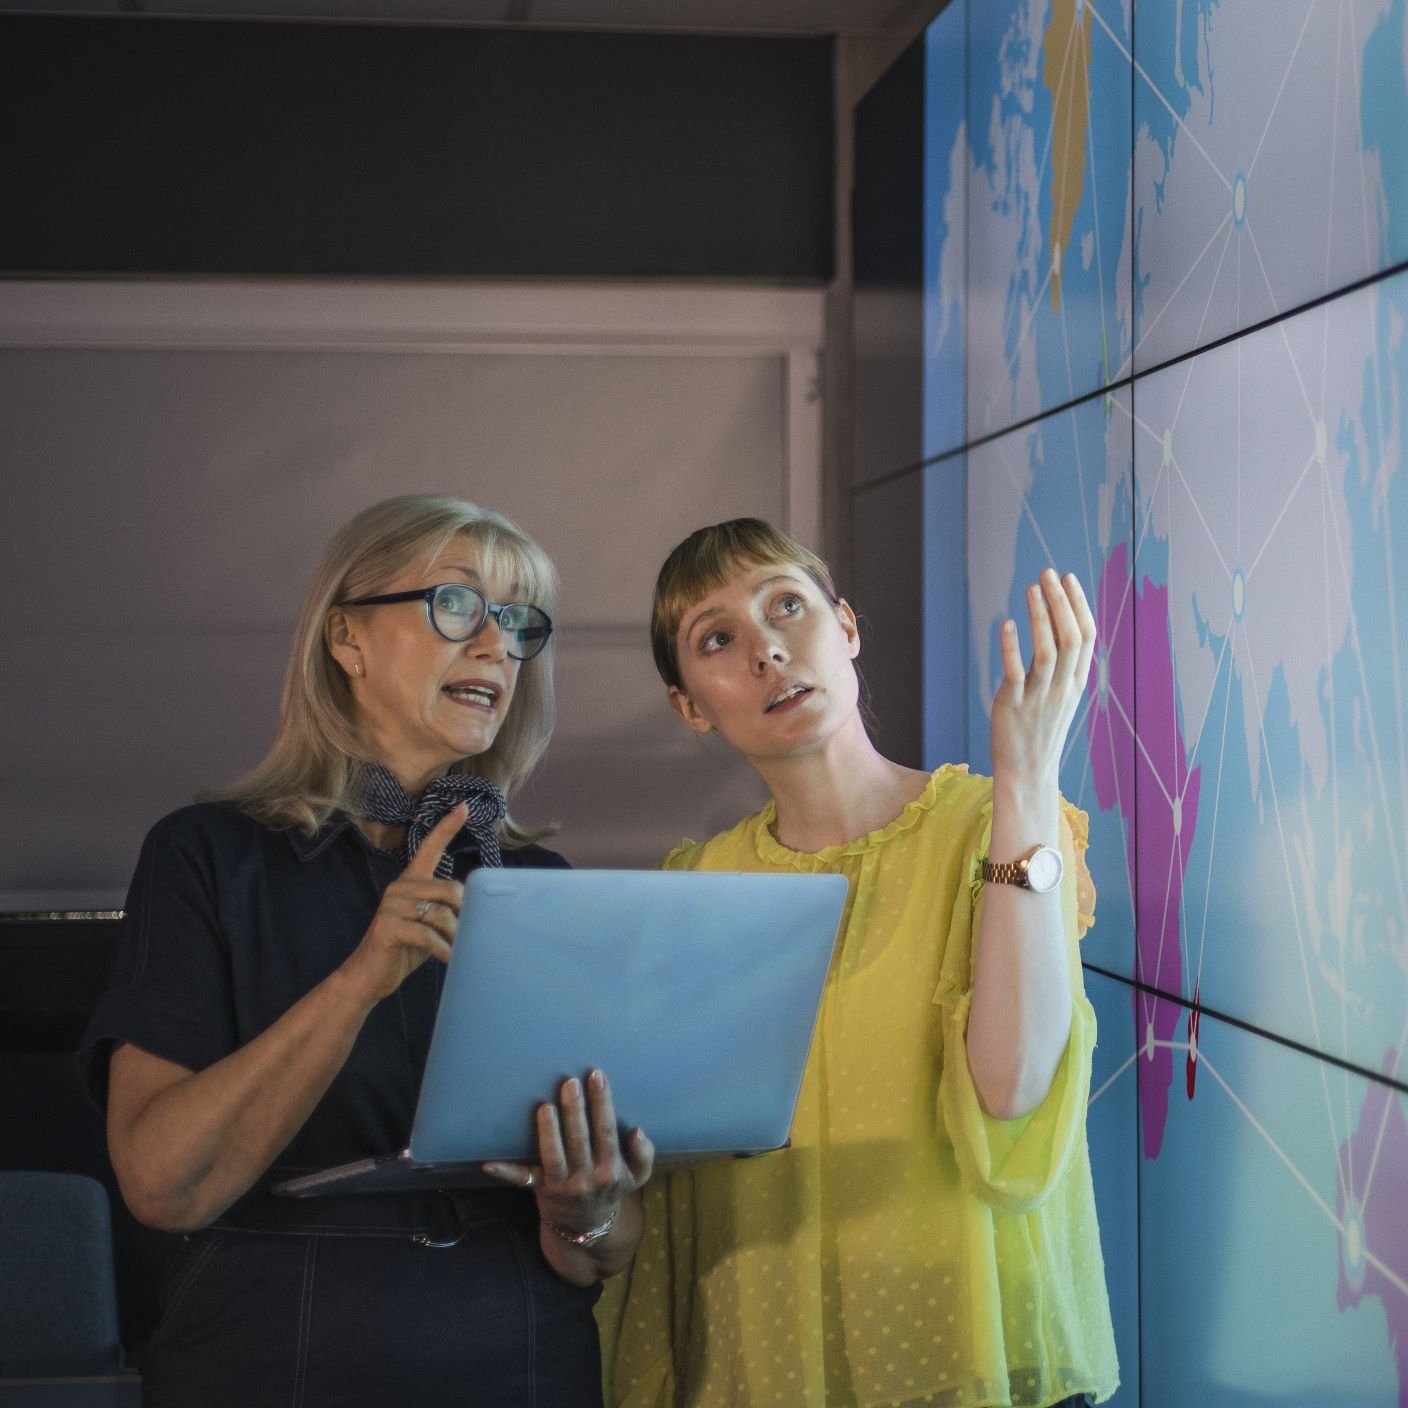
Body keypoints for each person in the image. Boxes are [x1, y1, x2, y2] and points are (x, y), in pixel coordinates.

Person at [79, 494, 653, 1408]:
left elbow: (601, 1256)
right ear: (345, 637)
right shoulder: (207, 855)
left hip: (524, 1349)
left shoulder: (541, 881)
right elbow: (160, 1186)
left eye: (516, 621)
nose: (497, 645)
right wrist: (358, 982)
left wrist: (585, 1213)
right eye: (458, 604)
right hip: (279, 1346)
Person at [598, 518, 1118, 1408]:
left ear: (845, 628)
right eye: (717, 639)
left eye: (787, 607)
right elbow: (663, 1182)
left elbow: (1013, 1089)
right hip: (763, 1362)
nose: (765, 650)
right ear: (690, 704)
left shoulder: (999, 822)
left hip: (972, 1353)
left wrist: (1027, 779)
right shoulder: (695, 889)